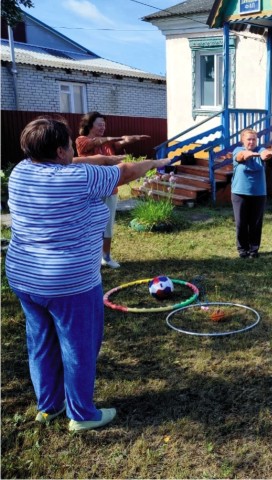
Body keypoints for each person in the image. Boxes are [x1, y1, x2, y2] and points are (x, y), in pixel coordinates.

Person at [6, 116, 170, 432]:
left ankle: (49, 407)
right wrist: (154, 161)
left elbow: (79, 161)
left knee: (40, 341)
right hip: (70, 282)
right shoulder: (78, 179)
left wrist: (106, 157)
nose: (72, 151)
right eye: (68, 146)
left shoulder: (20, 171)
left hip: (25, 276)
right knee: (77, 346)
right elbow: (125, 173)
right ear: (59, 152)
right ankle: (81, 415)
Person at [75, 111, 150, 269]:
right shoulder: (82, 140)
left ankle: (106, 257)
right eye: (99, 124)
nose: (103, 127)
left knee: (107, 225)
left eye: (104, 124)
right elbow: (95, 143)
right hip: (92, 190)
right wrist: (112, 139)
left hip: (110, 189)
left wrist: (132, 139)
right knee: (90, 225)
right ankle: (89, 258)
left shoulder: (108, 144)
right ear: (89, 125)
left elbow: (120, 142)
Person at [231, 128, 272, 259]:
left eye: (254, 139)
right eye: (248, 139)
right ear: (242, 140)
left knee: (255, 223)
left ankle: (253, 250)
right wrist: (252, 155)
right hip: (239, 192)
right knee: (241, 223)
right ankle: (242, 250)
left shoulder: (260, 150)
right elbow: (241, 156)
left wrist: (267, 154)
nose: (251, 141)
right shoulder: (238, 150)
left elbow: (265, 153)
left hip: (259, 193)